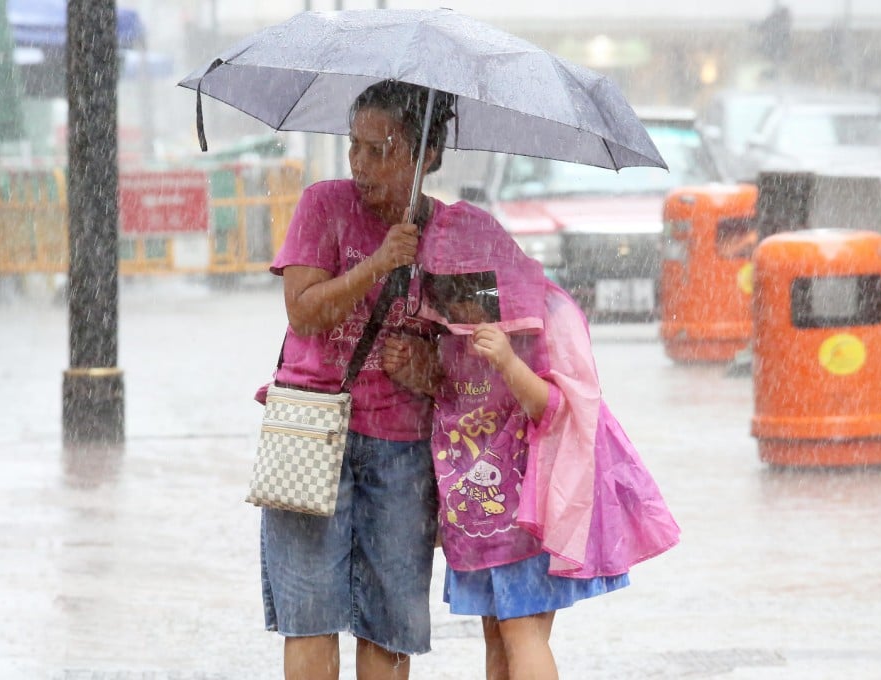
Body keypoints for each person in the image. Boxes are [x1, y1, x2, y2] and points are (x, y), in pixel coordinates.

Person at [383, 215, 680, 680]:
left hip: (527, 513)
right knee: (497, 633)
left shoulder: (543, 318)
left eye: (471, 292)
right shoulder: (450, 329)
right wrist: (412, 370)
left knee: (522, 630)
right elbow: (451, 395)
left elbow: (559, 409)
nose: (461, 309)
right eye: (448, 294)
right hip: (477, 514)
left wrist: (506, 360)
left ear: (494, 280)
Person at [257, 80, 455, 680]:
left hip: (402, 450)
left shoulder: (451, 232)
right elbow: (303, 310)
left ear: (427, 156)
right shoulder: (324, 204)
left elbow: (479, 359)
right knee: (309, 614)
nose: (360, 165)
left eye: (381, 149)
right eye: (354, 147)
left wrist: (427, 370)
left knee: (390, 623)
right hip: (312, 432)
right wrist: (377, 265)